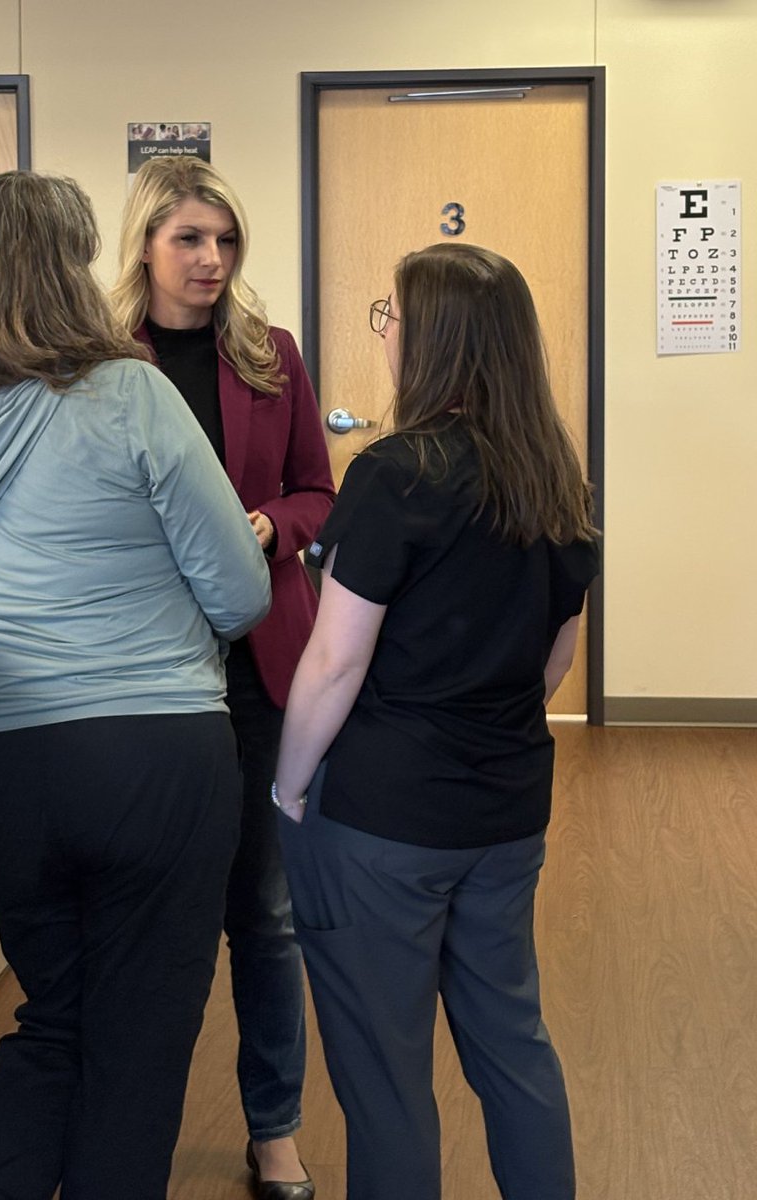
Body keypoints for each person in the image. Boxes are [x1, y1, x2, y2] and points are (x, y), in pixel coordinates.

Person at [0, 170, 272, 1200]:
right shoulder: (128, 392)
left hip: (7, 763)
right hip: (156, 756)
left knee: (53, 1015)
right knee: (140, 1042)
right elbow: (238, 593)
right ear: (67, 270)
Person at [273, 243, 600, 1200]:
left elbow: (334, 663)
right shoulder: (556, 478)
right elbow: (554, 660)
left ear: (435, 344)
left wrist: (289, 788)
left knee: (386, 1076)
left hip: (381, 824)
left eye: (395, 319)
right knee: (512, 1046)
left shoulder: (394, 473)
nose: (388, 336)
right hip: (505, 816)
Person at [112, 157, 335, 1198]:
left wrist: (268, 525)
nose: (211, 260)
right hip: (144, 672)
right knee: (156, 918)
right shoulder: (102, 363)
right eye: (190, 239)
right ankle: (132, 1136)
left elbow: (316, 495)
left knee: (268, 913)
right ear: (145, 245)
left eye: (225, 240)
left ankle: (275, 1130)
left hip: (255, 666)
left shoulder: (270, 355)